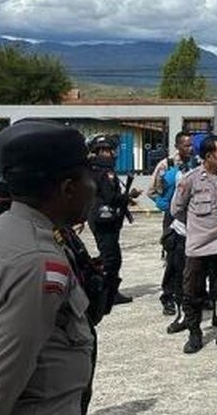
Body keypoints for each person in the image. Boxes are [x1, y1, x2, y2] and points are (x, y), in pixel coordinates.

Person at [0, 121, 104, 414]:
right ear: (68, 188)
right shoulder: (36, 260)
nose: (94, 189)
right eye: (89, 179)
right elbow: (1, 377)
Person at [171, 135, 217, 353]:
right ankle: (194, 334)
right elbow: (177, 210)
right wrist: (198, 228)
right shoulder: (190, 179)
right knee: (193, 293)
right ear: (209, 156)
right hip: (199, 247)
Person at [87, 133, 140, 310]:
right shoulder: (102, 172)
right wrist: (127, 197)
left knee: (110, 256)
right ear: (100, 151)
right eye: (110, 150)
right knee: (110, 258)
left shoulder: (95, 170)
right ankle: (105, 292)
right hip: (104, 221)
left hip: (107, 220)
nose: (114, 154)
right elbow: (110, 197)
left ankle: (110, 291)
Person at [148, 131, 196, 321]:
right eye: (186, 145)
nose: (190, 148)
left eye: (191, 145)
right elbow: (152, 191)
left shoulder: (196, 164)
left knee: (192, 257)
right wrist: (164, 205)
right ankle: (168, 296)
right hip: (172, 218)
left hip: (192, 217)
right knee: (174, 259)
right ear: (177, 146)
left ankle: (190, 294)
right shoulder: (165, 165)